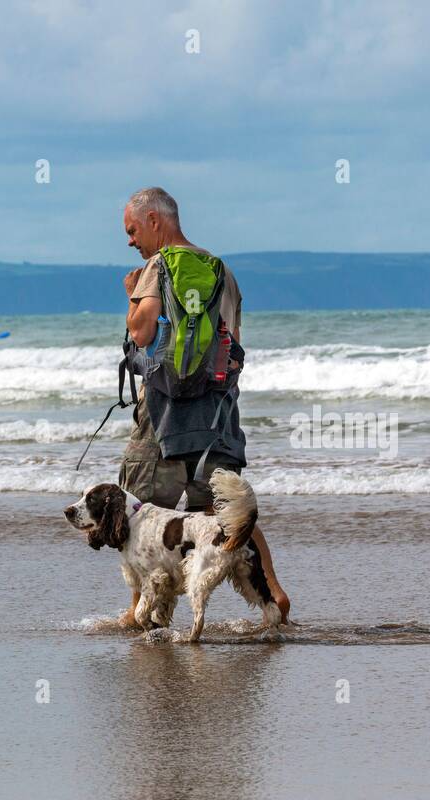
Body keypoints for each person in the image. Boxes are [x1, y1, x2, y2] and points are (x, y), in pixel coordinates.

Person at [118, 187, 291, 624]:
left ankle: (139, 609)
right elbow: (232, 344)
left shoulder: (158, 267)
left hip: (164, 417)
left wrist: (132, 296)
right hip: (217, 417)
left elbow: (140, 334)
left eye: (133, 230)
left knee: (135, 509)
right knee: (224, 514)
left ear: (156, 220)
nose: (131, 241)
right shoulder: (221, 271)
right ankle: (272, 590)